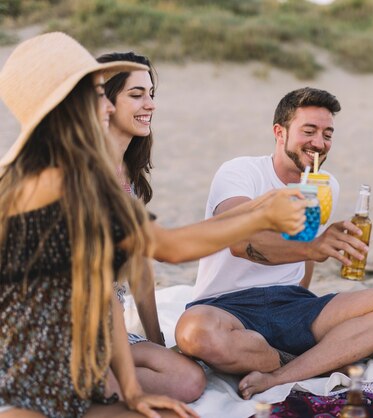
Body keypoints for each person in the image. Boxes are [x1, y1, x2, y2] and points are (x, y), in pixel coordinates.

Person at [0, 32, 306, 418]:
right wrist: (261, 216)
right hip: (31, 381)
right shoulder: (65, 181)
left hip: (77, 365)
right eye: (98, 94)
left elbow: (104, 295)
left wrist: (132, 390)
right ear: (66, 104)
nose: (107, 107)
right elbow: (168, 247)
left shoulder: (63, 174)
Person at [175, 87, 373, 399]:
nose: (319, 143)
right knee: (194, 332)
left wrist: (310, 272)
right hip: (226, 306)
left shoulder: (326, 183)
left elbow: (305, 261)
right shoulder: (241, 172)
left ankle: (281, 373)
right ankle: (307, 359)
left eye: (327, 133)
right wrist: (314, 248)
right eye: (309, 131)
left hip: (292, 304)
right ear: (280, 132)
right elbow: (239, 241)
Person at [94, 51, 207, 403]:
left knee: (189, 379)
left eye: (151, 94)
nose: (150, 105)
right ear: (105, 102)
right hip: (70, 320)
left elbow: (140, 265)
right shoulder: (85, 170)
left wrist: (155, 338)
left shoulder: (127, 173)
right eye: (136, 94)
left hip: (109, 326)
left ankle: (101, 380)